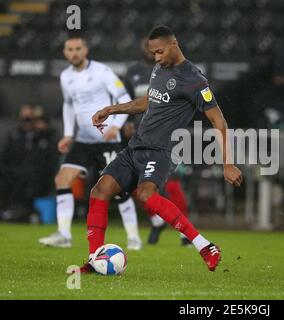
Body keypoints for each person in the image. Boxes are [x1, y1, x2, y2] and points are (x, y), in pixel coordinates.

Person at [74, 26, 242, 273]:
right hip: (136, 147)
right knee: (99, 191)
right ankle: (95, 258)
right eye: (153, 53)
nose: (156, 58)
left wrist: (228, 163)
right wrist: (110, 110)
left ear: (174, 44)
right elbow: (146, 102)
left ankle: (205, 246)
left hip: (160, 150)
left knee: (145, 195)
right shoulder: (159, 68)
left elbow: (219, 121)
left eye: (160, 52)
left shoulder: (195, 80)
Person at [39, 34, 142, 250]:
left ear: (85, 51)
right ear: (65, 53)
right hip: (84, 140)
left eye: (78, 48)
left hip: (107, 140)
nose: (74, 52)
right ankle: (64, 234)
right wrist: (68, 134)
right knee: (62, 180)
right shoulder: (66, 76)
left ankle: (133, 237)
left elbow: (124, 99)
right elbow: (68, 105)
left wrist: (116, 126)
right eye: (69, 49)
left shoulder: (102, 72)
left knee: (118, 189)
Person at [124, 37, 191, 246]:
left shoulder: (176, 70)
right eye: (147, 46)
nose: (152, 50)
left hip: (168, 137)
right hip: (141, 137)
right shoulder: (132, 72)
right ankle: (156, 220)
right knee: (136, 184)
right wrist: (126, 121)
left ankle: (184, 233)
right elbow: (126, 99)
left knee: (171, 184)